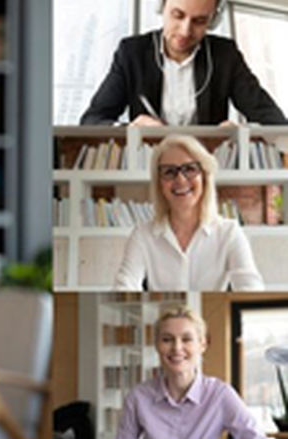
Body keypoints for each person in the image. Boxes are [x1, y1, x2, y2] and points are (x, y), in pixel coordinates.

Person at [80, 0, 286, 126]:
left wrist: (240, 135)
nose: (185, 31)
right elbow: (92, 120)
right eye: (177, 15)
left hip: (206, 169)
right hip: (147, 167)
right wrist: (130, 129)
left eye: (199, 21)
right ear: (162, 6)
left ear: (213, 20)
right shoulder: (132, 53)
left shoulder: (225, 55)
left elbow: (274, 121)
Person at [114, 134, 263, 291]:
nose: (180, 180)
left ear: (204, 177)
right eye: (169, 172)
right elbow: (124, 285)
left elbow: (251, 287)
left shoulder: (230, 233)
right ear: (159, 184)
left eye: (190, 169)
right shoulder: (142, 235)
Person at [116, 306, 266, 439]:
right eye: (167, 339)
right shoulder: (138, 397)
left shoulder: (220, 394)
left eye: (186, 339)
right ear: (156, 345)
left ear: (202, 344)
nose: (176, 348)